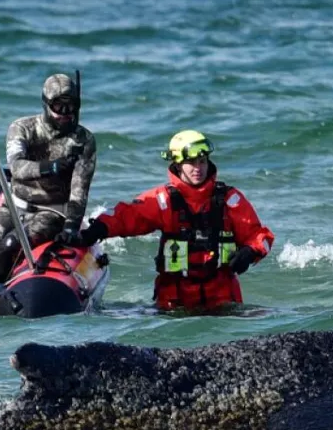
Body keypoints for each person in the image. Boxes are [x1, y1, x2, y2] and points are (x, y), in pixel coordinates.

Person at [78, 129, 274, 311]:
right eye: (192, 162)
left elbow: (261, 236)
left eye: (203, 161)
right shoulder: (163, 201)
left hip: (223, 303)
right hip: (173, 306)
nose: (199, 168)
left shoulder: (230, 200)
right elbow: (127, 216)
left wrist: (250, 252)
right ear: (178, 164)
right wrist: (98, 229)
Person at [0, 72, 97, 282]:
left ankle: (2, 296)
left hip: (52, 212)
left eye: (71, 106)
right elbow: (17, 168)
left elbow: (79, 189)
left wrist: (71, 226)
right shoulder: (22, 128)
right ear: (46, 104)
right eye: (58, 106)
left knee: (11, 245)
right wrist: (51, 167)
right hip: (13, 206)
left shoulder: (83, 140)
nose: (65, 113)